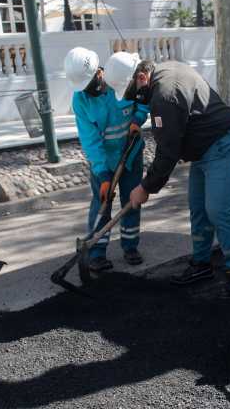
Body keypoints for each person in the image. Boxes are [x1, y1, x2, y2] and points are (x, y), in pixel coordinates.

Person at [109, 53, 230, 299]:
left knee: (217, 210)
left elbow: (168, 151)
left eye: (133, 91)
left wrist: (145, 187)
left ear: (142, 77)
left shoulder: (165, 95)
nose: (134, 97)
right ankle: (202, 264)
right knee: (198, 208)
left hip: (223, 145)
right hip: (204, 148)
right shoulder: (165, 72)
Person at [64, 48, 148, 282]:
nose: (88, 90)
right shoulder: (80, 100)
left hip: (130, 153)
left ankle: (130, 246)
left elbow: (143, 99)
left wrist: (138, 119)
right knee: (102, 202)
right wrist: (102, 174)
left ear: (99, 73)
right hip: (104, 160)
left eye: (90, 83)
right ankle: (96, 252)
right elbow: (90, 141)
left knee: (132, 200)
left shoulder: (119, 77)